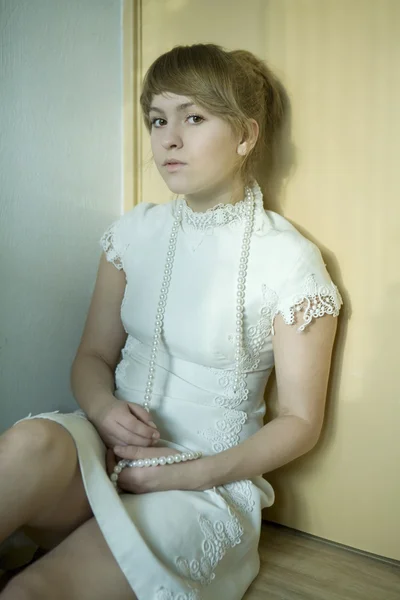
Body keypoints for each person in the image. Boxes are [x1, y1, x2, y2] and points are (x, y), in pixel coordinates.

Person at [0, 43, 342, 600]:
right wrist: (104, 411)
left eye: (194, 117)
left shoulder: (289, 260)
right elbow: (92, 357)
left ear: (246, 135)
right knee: (28, 443)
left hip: (206, 484)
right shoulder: (134, 232)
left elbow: (301, 421)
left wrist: (187, 474)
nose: (169, 139)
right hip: (106, 453)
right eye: (159, 120)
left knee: (27, 592)